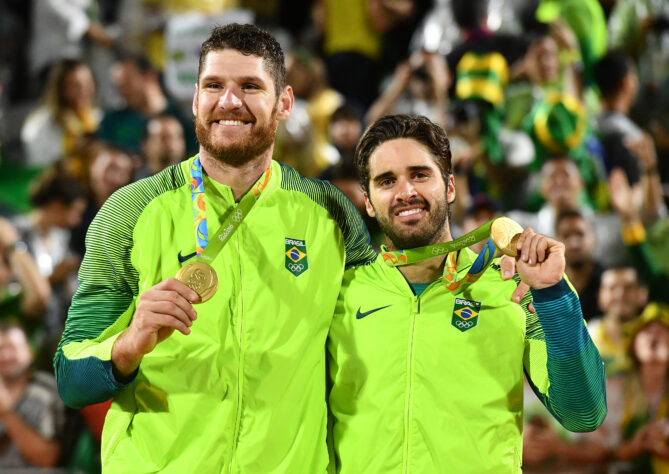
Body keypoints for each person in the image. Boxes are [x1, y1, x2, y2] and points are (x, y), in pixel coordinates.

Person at [54, 23, 376, 473]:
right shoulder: (130, 210)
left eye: (250, 86)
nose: (229, 101)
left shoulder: (331, 213)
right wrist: (127, 346)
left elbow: (387, 321)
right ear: (195, 100)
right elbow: (71, 379)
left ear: (284, 102)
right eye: (213, 86)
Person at [327, 114, 606, 473]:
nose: (405, 191)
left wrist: (552, 294)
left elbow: (583, 412)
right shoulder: (341, 291)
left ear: (450, 187)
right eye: (386, 181)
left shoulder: (511, 285)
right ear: (368, 201)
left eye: (419, 174)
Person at [0, 322, 65, 468]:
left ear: (29, 352)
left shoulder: (46, 390)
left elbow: (47, 458)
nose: (5, 356)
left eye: (12, 348)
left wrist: (6, 414)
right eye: (0, 350)